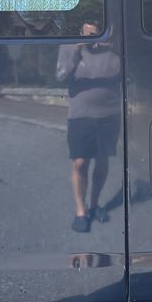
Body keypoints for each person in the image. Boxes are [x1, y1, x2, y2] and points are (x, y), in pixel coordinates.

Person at [56, 23, 122, 233]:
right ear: (83, 29)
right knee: (80, 163)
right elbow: (61, 75)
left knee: (102, 160)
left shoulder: (114, 49)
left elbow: (124, 75)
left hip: (109, 113)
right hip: (80, 114)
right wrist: (77, 48)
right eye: (91, 29)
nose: (95, 33)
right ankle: (80, 210)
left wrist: (111, 46)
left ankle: (94, 205)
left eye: (100, 28)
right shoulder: (70, 47)